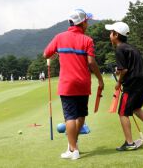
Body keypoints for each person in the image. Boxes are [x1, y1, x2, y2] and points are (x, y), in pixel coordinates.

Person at [43, 9, 104, 160]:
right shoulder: (87, 40)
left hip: (67, 84)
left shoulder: (59, 37)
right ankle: (73, 146)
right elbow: (91, 62)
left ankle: (73, 149)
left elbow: (46, 54)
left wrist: (58, 51)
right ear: (82, 23)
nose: (88, 24)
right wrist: (100, 79)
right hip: (83, 83)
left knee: (70, 117)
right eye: (87, 22)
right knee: (81, 115)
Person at [105, 21, 143, 151]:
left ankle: (129, 143)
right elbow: (126, 67)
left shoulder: (119, 49)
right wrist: (120, 70)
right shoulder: (131, 47)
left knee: (123, 112)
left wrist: (118, 82)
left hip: (132, 84)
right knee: (135, 107)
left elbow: (124, 70)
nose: (109, 35)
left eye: (111, 33)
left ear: (116, 35)